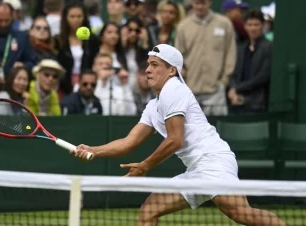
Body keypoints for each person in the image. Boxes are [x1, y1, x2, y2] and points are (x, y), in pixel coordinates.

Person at [72, 44, 285, 226]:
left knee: (241, 214)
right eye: (147, 65)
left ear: (172, 70)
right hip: (196, 170)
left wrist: (145, 165)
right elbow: (130, 142)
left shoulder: (174, 89)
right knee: (149, 211)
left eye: (155, 65)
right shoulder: (153, 106)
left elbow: (175, 140)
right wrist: (94, 150)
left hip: (214, 161)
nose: (147, 70)